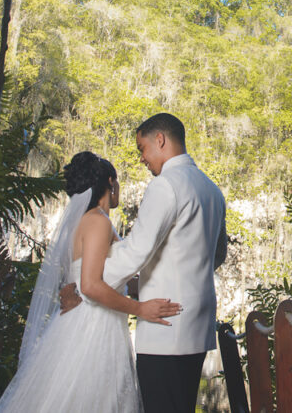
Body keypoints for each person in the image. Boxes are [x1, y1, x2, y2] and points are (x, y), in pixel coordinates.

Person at [62, 113, 227, 413]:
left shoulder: (166, 185)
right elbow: (217, 256)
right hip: (197, 328)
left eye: (142, 148)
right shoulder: (212, 190)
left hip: (164, 326)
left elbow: (136, 252)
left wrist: (87, 284)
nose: (142, 158)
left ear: (160, 140)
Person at [0, 152, 182, 413]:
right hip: (92, 327)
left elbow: (85, 277)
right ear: (110, 182)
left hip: (89, 320)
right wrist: (140, 309)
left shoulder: (87, 221)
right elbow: (92, 286)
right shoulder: (97, 221)